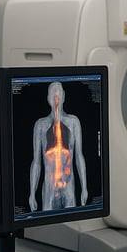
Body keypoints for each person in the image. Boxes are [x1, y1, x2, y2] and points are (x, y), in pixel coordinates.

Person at [29, 81, 88, 211]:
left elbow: (79, 157)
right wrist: (32, 193)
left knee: (71, 225)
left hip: (68, 186)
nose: (56, 96)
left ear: (64, 96)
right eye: (52, 93)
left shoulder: (74, 123)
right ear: (48, 98)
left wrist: (84, 187)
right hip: (50, 187)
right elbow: (36, 162)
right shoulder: (40, 125)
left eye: (59, 92)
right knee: (49, 228)